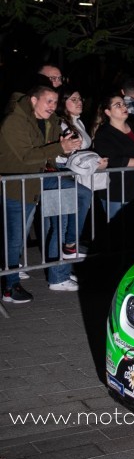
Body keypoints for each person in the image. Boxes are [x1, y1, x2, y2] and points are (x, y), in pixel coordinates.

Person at [1, 85, 82, 302]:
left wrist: (67, 144)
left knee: (18, 238)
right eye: (49, 101)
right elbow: (26, 157)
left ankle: (58, 271)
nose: (53, 106)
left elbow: (49, 153)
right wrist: (59, 147)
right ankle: (10, 287)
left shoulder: (49, 121)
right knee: (14, 239)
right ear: (33, 100)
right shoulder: (14, 122)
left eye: (55, 102)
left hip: (35, 184)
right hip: (15, 187)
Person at [53, 85, 106, 257]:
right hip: (63, 171)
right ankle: (66, 252)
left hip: (76, 172)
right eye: (73, 100)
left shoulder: (78, 121)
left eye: (80, 99)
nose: (79, 102)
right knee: (61, 221)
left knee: (72, 211)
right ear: (63, 103)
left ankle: (65, 261)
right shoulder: (60, 123)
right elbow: (61, 152)